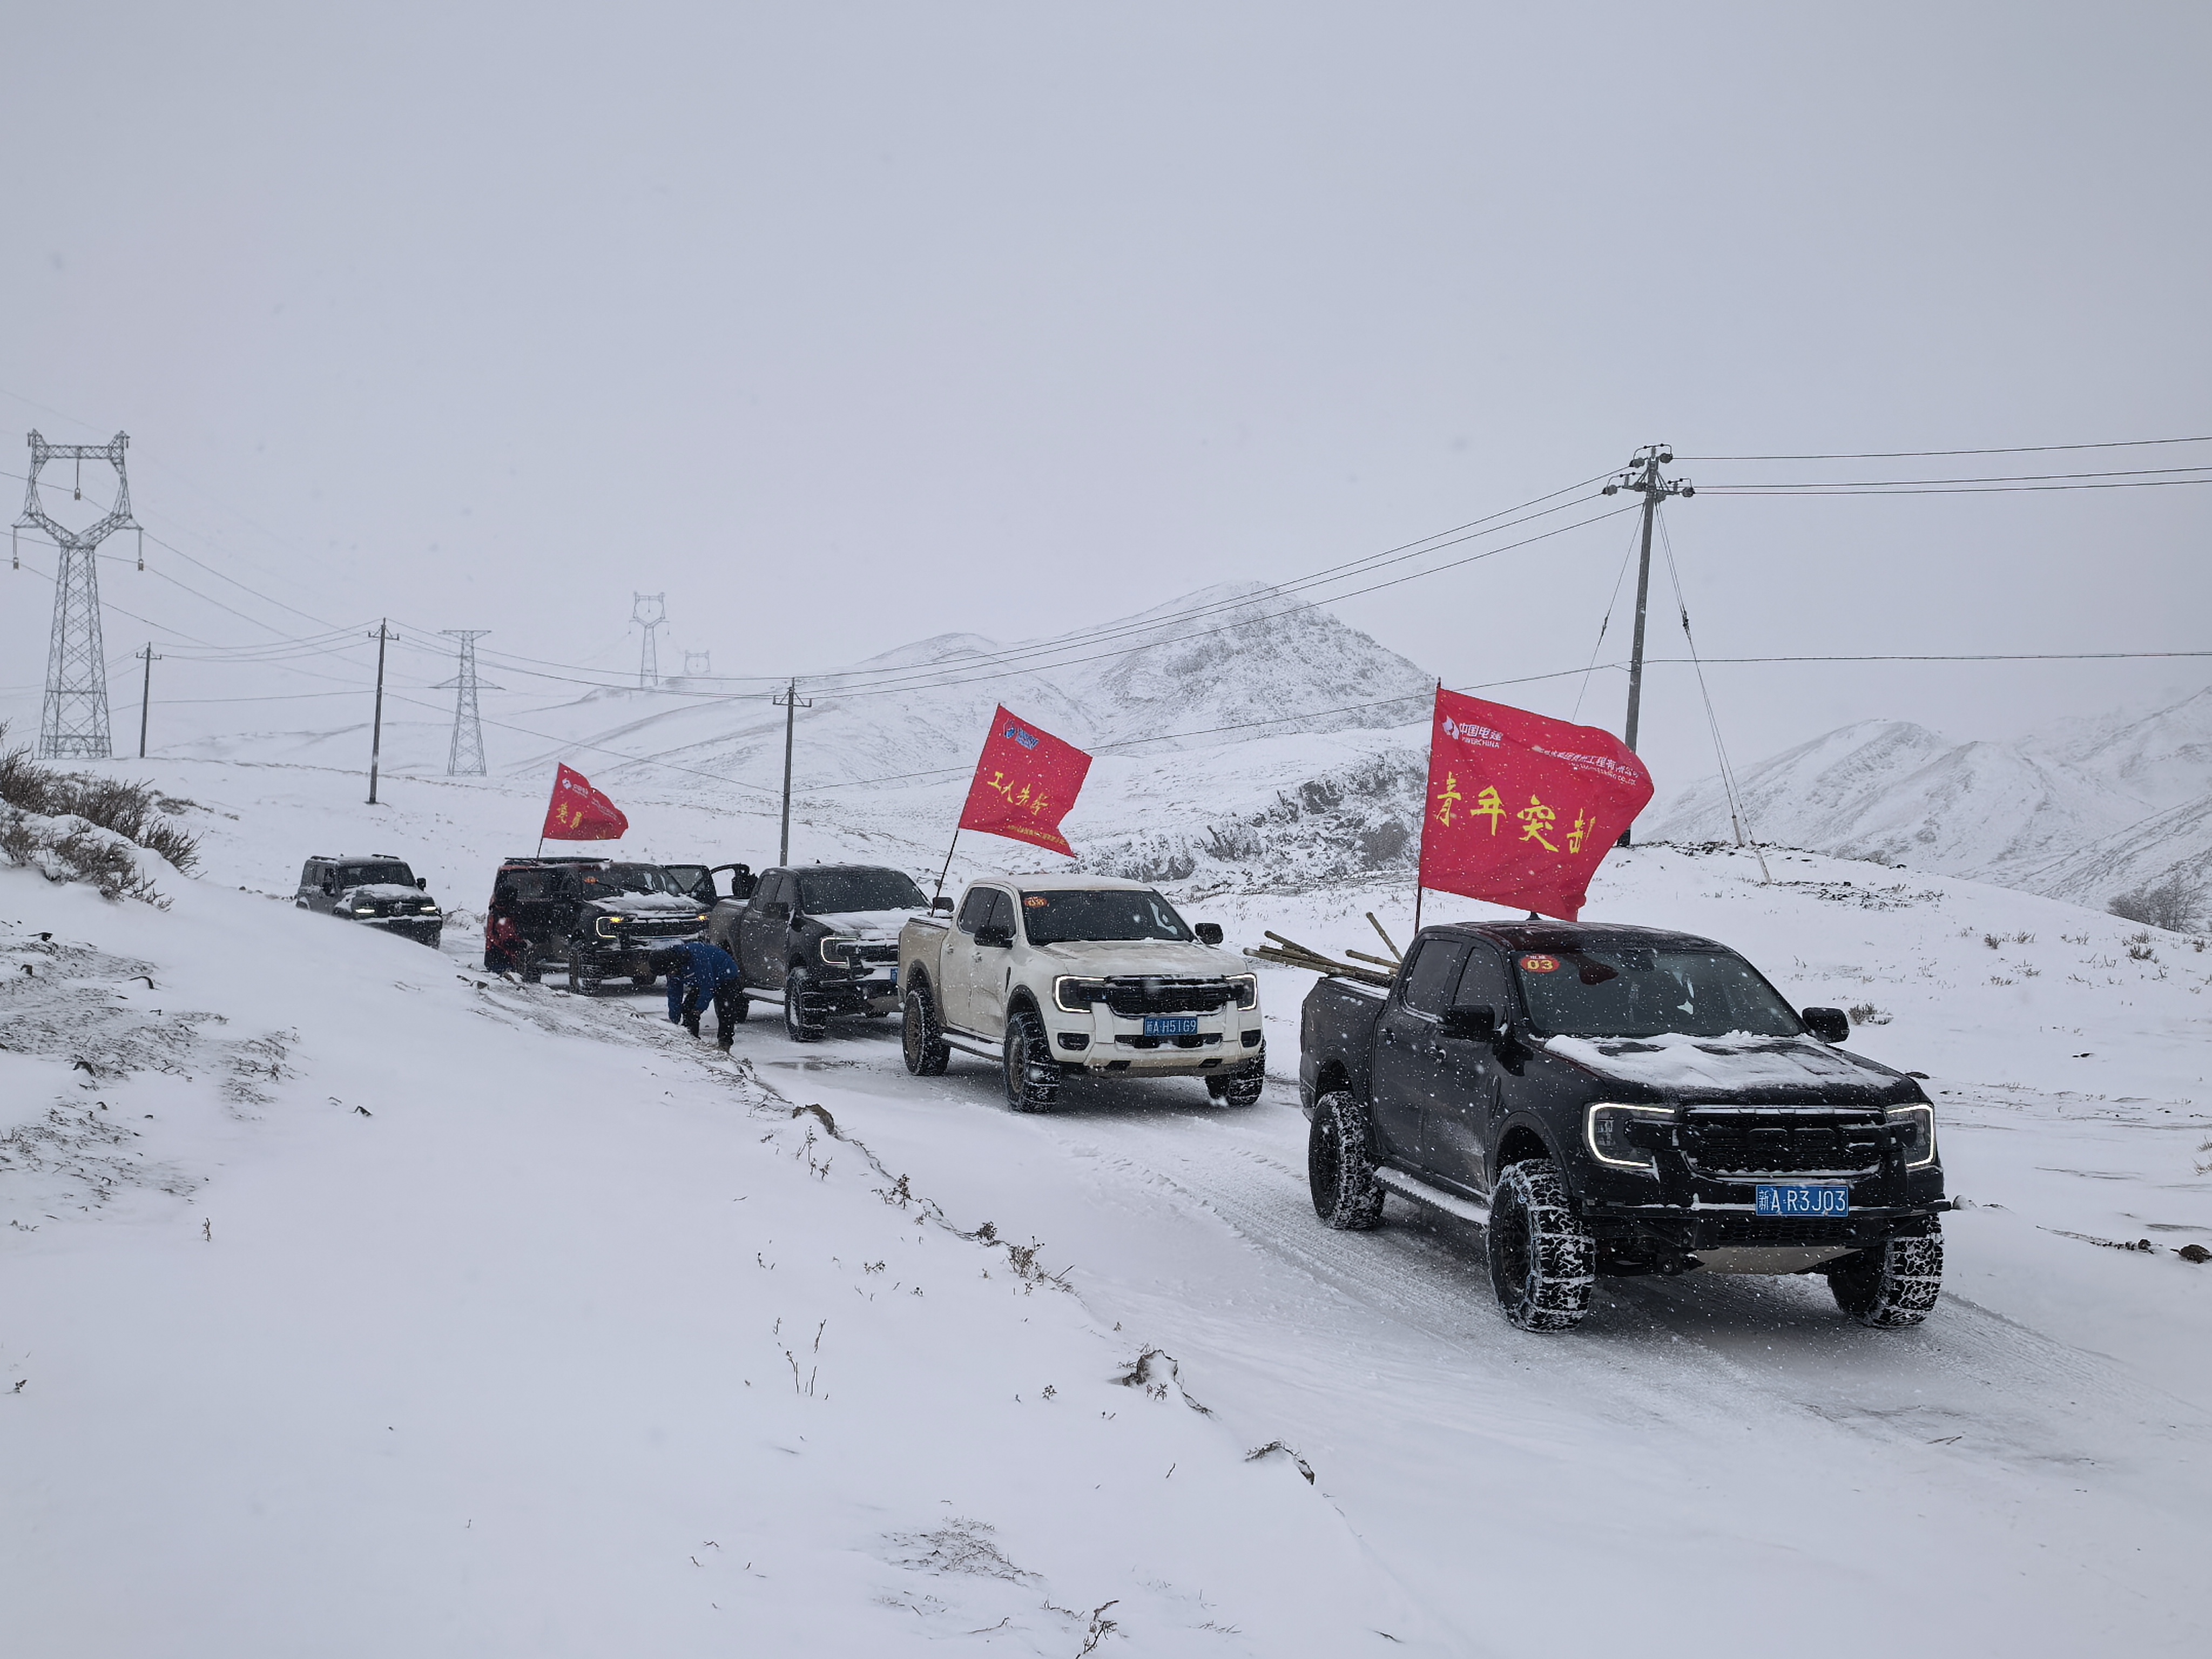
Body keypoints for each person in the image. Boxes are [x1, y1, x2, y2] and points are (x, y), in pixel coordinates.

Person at [652, 941, 745, 1049]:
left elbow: (708, 987)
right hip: (702, 981)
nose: (670, 974)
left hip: (726, 976)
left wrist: (698, 1009)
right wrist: (674, 1020)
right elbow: (674, 995)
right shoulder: (672, 970)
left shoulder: (697, 957)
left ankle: (725, 1044)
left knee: (725, 1012)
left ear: (673, 964)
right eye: (667, 973)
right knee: (688, 1009)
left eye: (671, 971)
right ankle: (691, 1040)